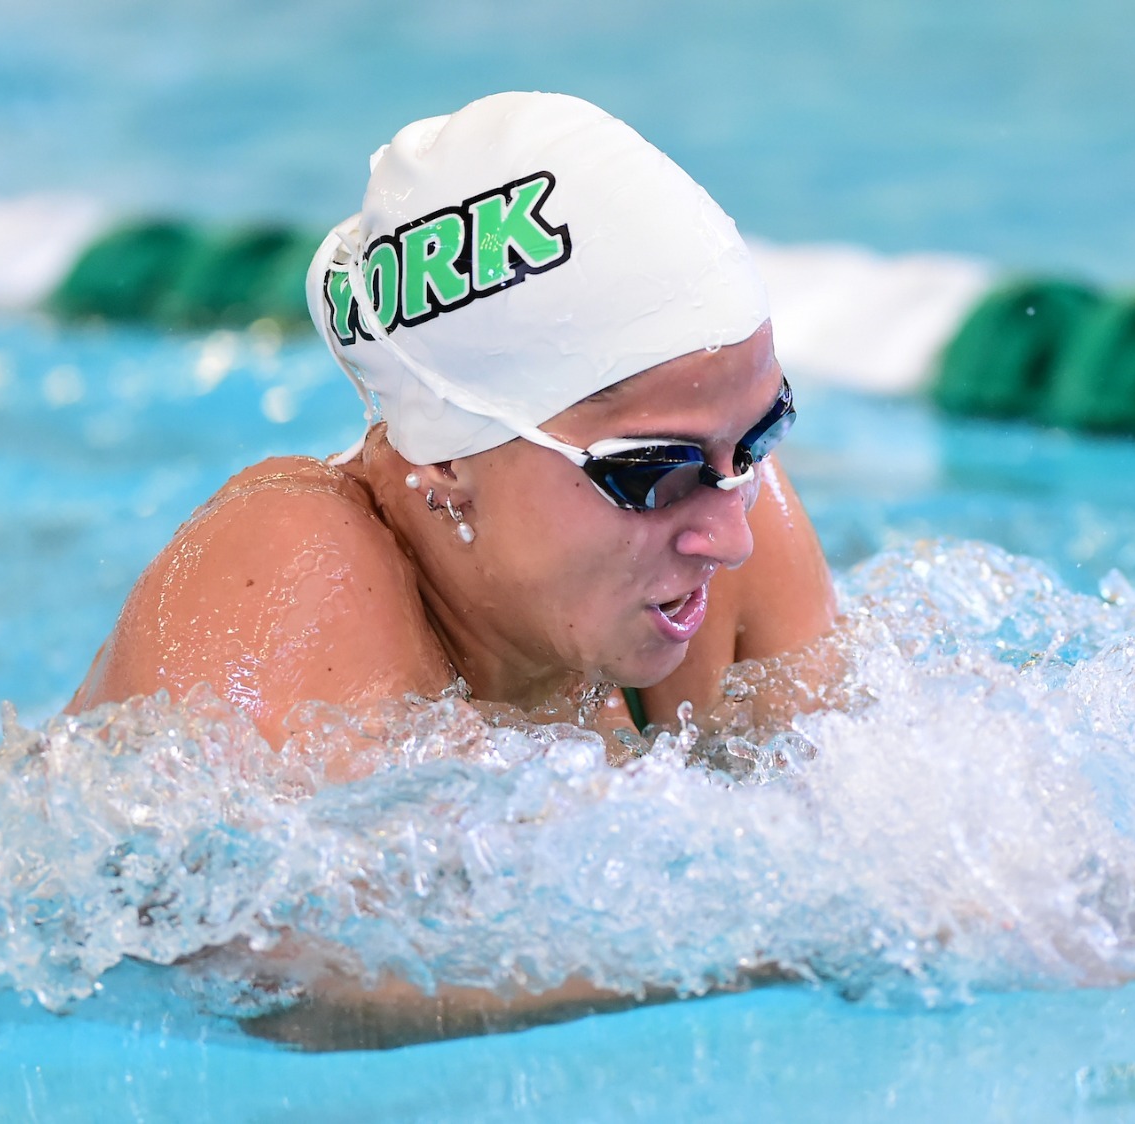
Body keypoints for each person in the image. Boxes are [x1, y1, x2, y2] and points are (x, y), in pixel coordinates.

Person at [66, 92, 841, 1044]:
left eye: (760, 438)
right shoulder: (290, 568)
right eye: (651, 474)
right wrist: (777, 943)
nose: (731, 534)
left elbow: (873, 838)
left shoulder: (725, 515)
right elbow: (285, 973)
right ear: (444, 457)